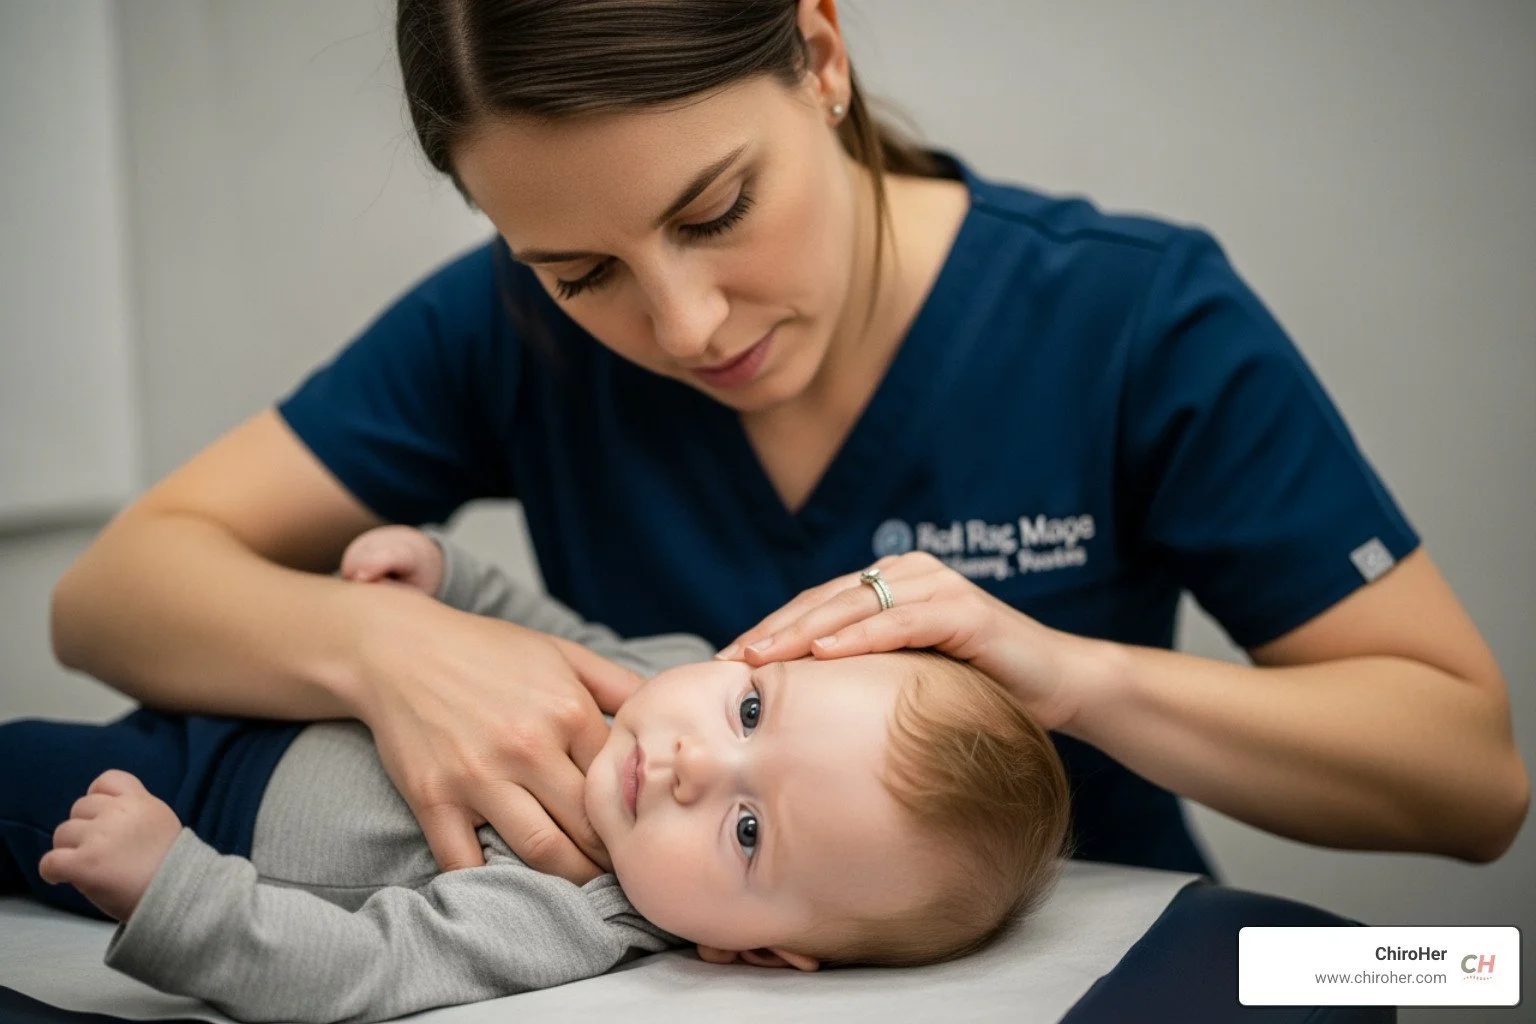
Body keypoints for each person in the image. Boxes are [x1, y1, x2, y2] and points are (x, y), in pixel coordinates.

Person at [49, 0, 1527, 895]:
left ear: (819, 53)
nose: (685, 323)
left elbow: (1468, 783)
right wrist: (386, 652)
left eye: (713, 212)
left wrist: (1078, 679)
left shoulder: (1133, 317)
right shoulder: (503, 329)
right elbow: (112, 594)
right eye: (583, 271)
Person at [8, 527, 1071, 1024]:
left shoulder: (576, 913)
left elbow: (364, 966)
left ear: (752, 948)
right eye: (752, 710)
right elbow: (543, 633)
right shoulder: (665, 678)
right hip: (281, 692)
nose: (698, 762)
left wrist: (175, 888)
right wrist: (445, 578)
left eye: (749, 833)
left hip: (194, 803)